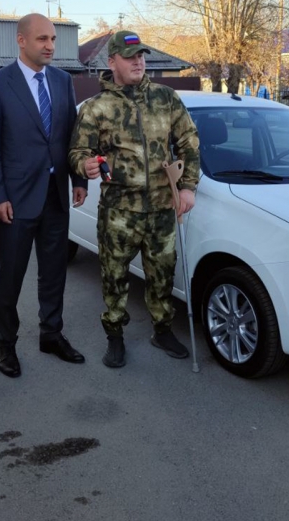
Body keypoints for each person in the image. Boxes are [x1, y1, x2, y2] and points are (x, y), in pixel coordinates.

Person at [69, 30, 200, 369]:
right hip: (119, 211)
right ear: (112, 62)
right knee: (114, 275)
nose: (138, 61)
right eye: (130, 57)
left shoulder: (166, 98)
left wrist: (187, 187)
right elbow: (78, 150)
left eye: (141, 55)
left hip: (161, 207)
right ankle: (115, 336)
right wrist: (84, 164)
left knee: (162, 275)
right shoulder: (98, 108)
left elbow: (188, 140)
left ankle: (162, 329)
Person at [0, 13, 88, 378]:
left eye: (53, 39)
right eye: (42, 39)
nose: (51, 46)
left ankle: (51, 334)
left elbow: (69, 136)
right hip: (16, 201)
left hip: (55, 196)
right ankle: (5, 343)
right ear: (21, 41)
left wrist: (77, 180)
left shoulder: (61, 81)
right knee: (10, 276)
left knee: (54, 272)